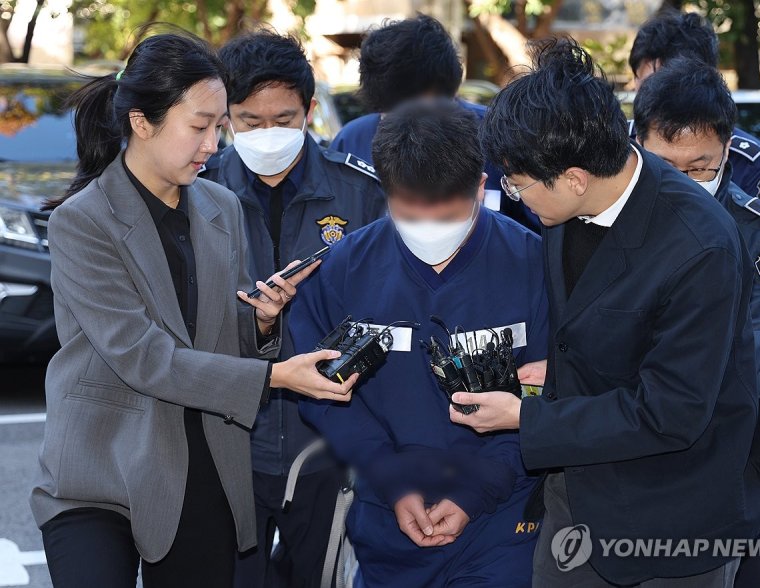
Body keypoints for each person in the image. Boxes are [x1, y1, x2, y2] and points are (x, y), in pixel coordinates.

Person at [453, 37, 760, 587]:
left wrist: (524, 418)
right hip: (575, 497)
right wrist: (554, 374)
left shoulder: (698, 244)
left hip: (671, 520)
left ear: (576, 177)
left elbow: (671, 411)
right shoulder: (567, 208)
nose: (514, 193)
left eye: (519, 181)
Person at [30, 32, 356, 588]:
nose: (213, 143)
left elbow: (216, 335)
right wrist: (275, 376)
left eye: (219, 126)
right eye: (199, 126)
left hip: (201, 458)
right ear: (141, 122)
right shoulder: (82, 221)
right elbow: (144, 356)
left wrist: (259, 321)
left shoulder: (219, 206)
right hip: (99, 468)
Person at [290, 99, 549, 587]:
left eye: (446, 214)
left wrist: (477, 489)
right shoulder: (345, 269)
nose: (429, 228)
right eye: (411, 212)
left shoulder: (533, 265)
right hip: (387, 524)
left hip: (504, 526)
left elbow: (548, 394)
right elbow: (323, 392)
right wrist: (390, 477)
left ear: (480, 187)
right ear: (385, 194)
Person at [202, 30, 385, 588]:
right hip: (226, 444)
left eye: (283, 119)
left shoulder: (361, 196)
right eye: (249, 122)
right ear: (225, 117)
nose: (267, 134)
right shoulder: (200, 191)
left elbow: (391, 312)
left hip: (329, 448)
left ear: (309, 109)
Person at [633, 57, 760, 588]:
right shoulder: (606, 222)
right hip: (625, 442)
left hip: (731, 436)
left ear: (728, 149)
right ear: (636, 146)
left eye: (701, 167)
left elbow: (749, 339)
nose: (683, 182)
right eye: (666, 166)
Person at [330, 13, 539, 231]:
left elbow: (537, 234)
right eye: (390, 114)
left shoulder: (502, 134)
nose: (403, 128)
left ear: (449, 92)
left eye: (414, 113)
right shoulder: (351, 142)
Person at [628, 10, 760, 211]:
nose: (662, 98)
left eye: (698, 169)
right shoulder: (613, 147)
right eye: (650, 83)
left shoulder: (752, 163)